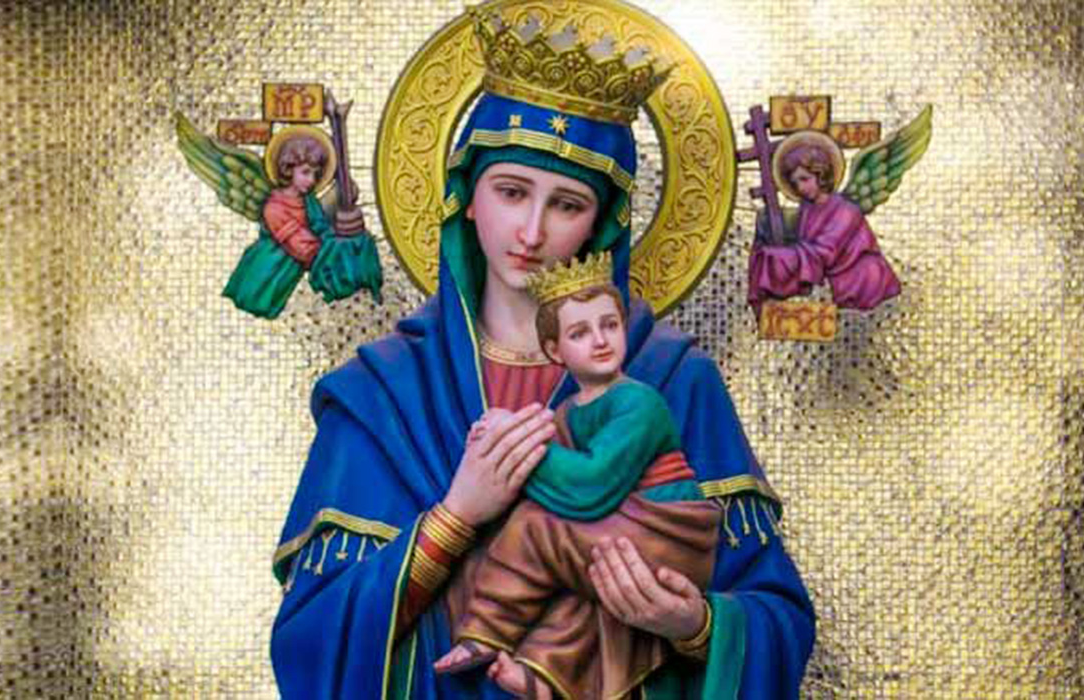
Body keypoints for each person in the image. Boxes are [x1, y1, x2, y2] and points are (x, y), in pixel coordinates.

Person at [270, 8, 815, 699]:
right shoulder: (383, 394)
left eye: (567, 204)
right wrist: (455, 518)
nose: (530, 231)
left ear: (602, 225)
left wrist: (692, 625)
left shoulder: (673, 381)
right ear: (467, 197)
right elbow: (311, 642)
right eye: (511, 192)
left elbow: (776, 618)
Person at [434, 255, 721, 698]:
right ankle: (543, 675)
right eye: (580, 333)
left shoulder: (639, 403)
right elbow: (556, 485)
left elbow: (589, 484)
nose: (600, 340)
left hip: (669, 534)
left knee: (536, 528)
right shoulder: (568, 412)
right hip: (628, 532)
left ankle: (486, 632)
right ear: (555, 350)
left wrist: (520, 446)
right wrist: (497, 442)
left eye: (610, 325)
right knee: (571, 586)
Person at [223, 132, 380, 319]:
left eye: (315, 174)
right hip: (264, 276)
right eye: (305, 172)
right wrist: (339, 251)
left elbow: (321, 228)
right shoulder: (274, 208)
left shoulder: (309, 201)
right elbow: (304, 248)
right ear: (288, 169)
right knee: (252, 311)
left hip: (287, 274)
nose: (311, 180)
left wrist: (346, 236)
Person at [747, 137, 901, 311]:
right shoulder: (808, 211)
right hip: (837, 284)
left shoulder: (846, 212)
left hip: (865, 286)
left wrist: (781, 258)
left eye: (804, 179)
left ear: (820, 174)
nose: (800, 188)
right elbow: (806, 247)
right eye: (795, 183)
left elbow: (824, 253)